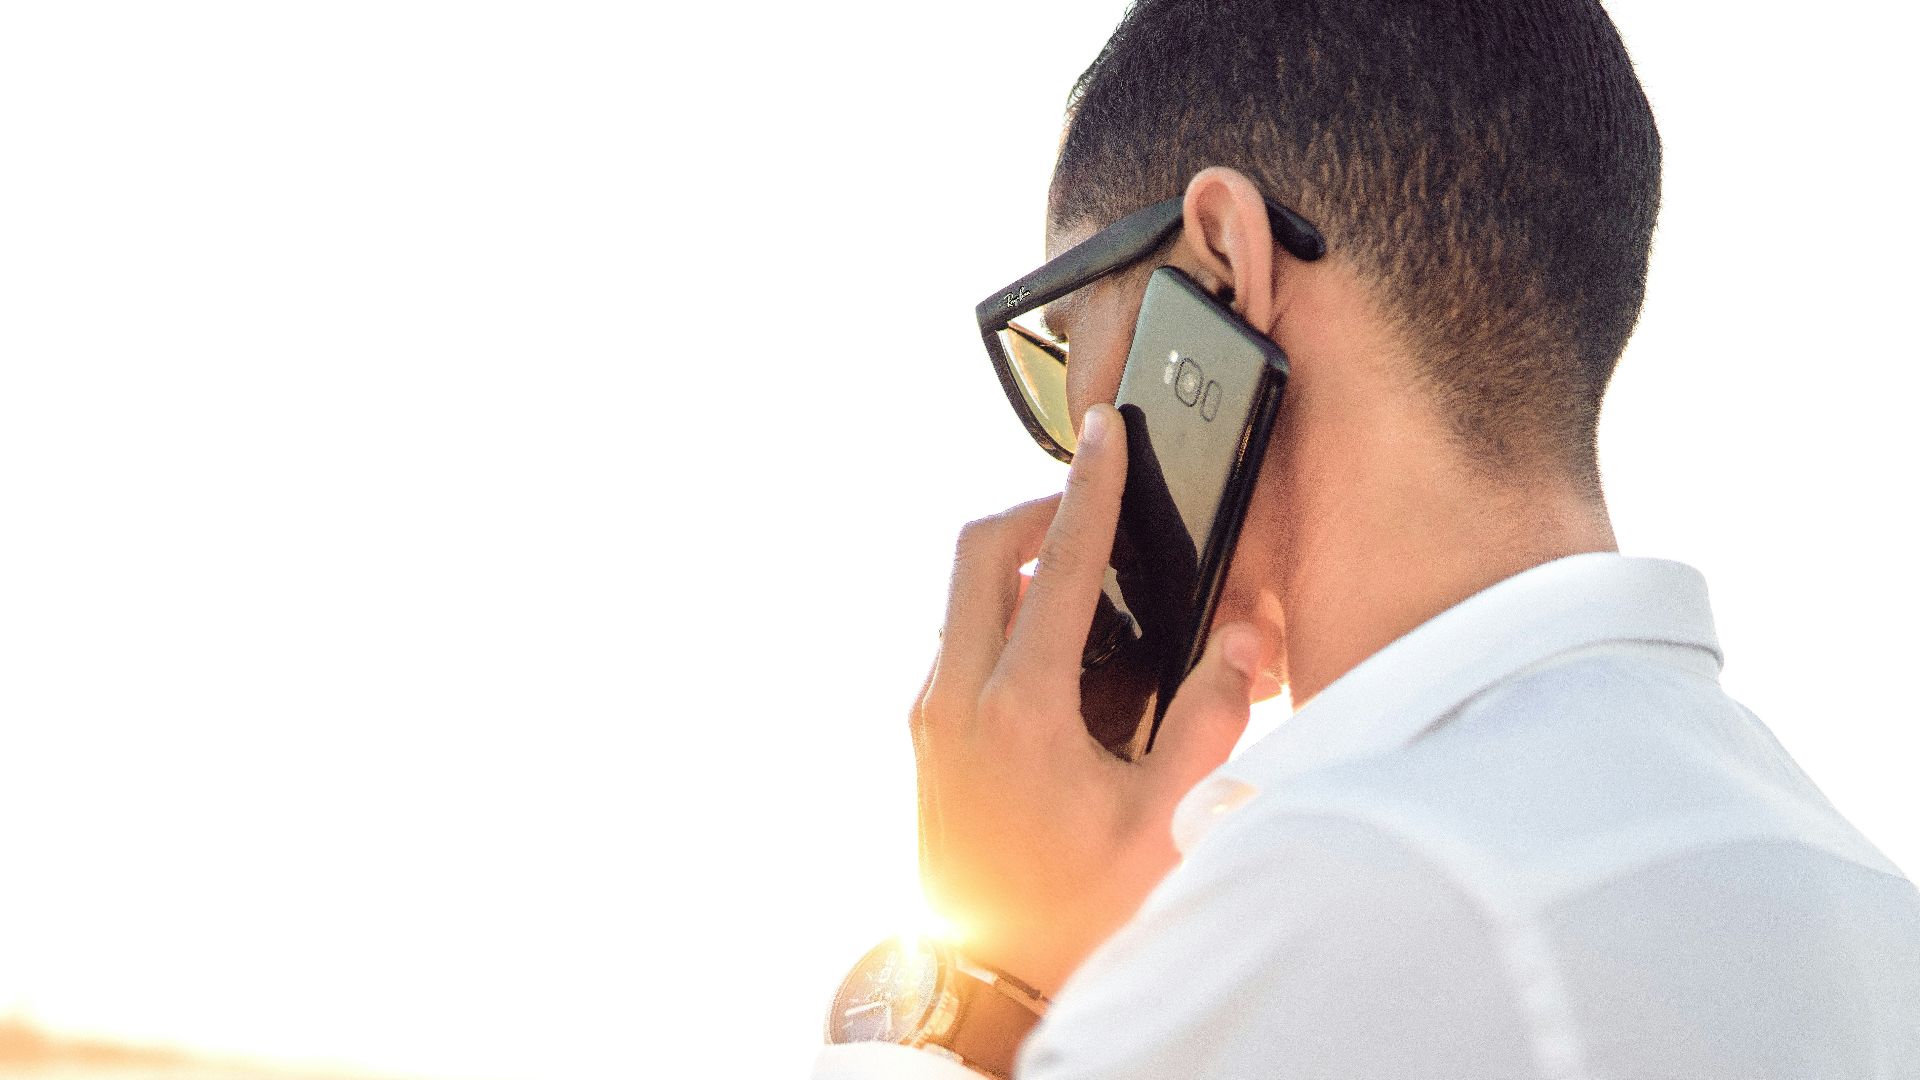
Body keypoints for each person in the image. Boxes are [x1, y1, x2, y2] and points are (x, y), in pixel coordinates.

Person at [816, 1, 1920, 1076]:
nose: (1070, 452)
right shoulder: (1868, 906)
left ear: (1223, 275)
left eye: (1070, 349)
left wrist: (993, 988)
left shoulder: (1341, 908)